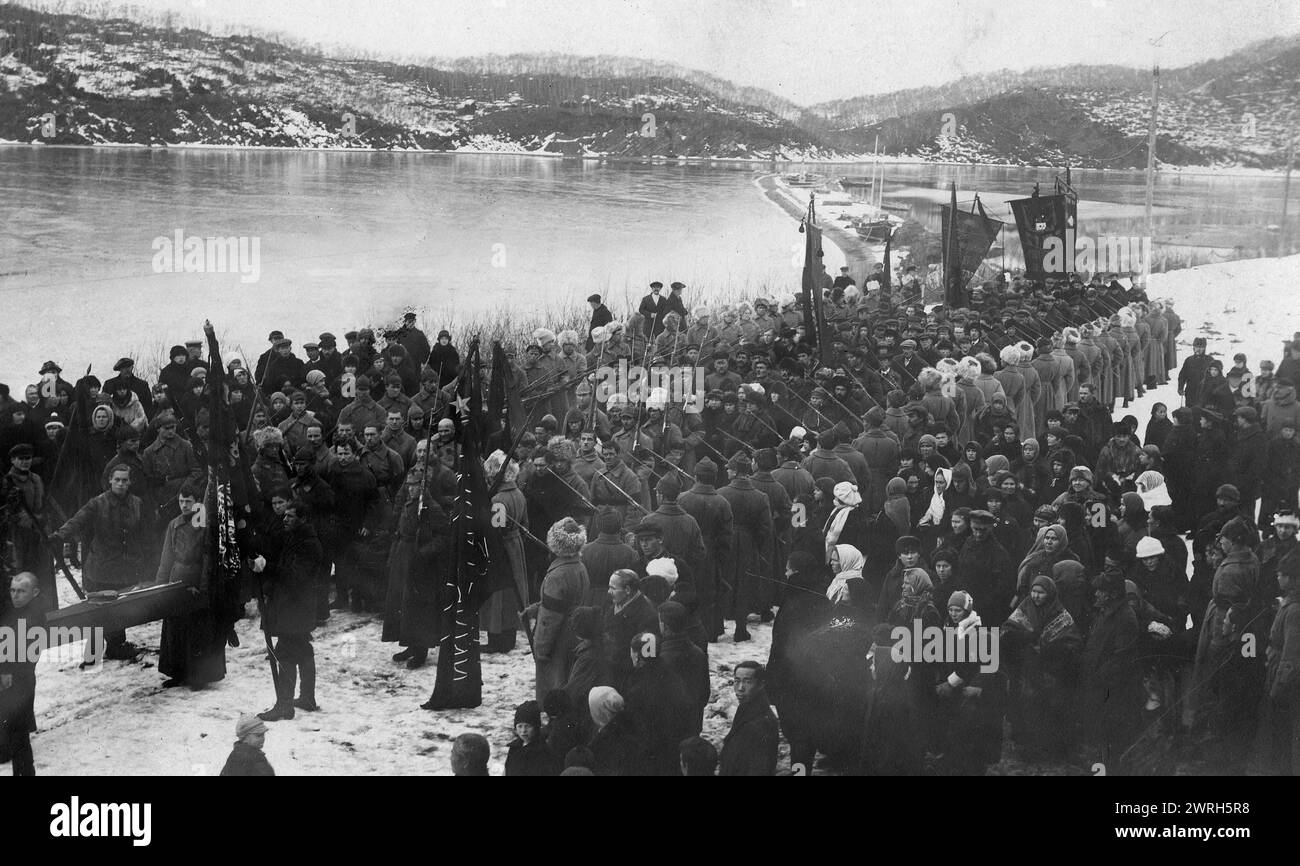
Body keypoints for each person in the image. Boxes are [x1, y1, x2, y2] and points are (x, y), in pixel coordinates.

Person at [53, 464, 151, 660]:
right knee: (101, 610)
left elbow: (146, 533)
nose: (121, 484)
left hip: (126, 565)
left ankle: (115, 645)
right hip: (102, 565)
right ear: (110, 481)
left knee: (119, 608)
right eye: (117, 480)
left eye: (125, 480)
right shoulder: (98, 503)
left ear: (130, 482)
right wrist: (59, 535)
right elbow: (77, 521)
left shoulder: (137, 503)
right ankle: (98, 651)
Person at [155, 482, 228, 688]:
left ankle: (199, 675)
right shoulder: (174, 524)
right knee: (175, 628)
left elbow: (208, 559)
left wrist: (203, 588)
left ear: (197, 502)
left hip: (197, 578)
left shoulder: (203, 524)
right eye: (181, 501)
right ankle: (177, 673)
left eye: (189, 501)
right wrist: (161, 586)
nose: (184, 505)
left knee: (198, 630)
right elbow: (166, 558)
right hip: (177, 578)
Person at [257, 500, 323, 721]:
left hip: (296, 606)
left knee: (284, 650)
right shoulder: (295, 537)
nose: (284, 519)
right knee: (302, 648)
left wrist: (268, 567)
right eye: (284, 516)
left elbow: (295, 576)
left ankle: (284, 705)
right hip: (296, 605)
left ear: (303, 519)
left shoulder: (308, 544)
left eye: (290, 516)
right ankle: (307, 698)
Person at [0, 573, 44, 775]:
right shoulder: (15, 611)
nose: (15, 595)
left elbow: (26, 655)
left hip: (19, 681)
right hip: (10, 678)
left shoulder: (33, 618)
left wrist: (7, 671)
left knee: (19, 735)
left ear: (34, 592)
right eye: (12, 590)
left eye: (21, 591)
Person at [719, 660, 779, 776]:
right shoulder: (747, 707)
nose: (740, 688)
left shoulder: (763, 723)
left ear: (761, 684)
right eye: (737, 681)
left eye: (747, 682)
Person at [504, 700, 560, 777]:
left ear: (536, 727)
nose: (523, 731)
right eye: (520, 726)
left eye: (528, 726)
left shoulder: (542, 751)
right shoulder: (514, 748)